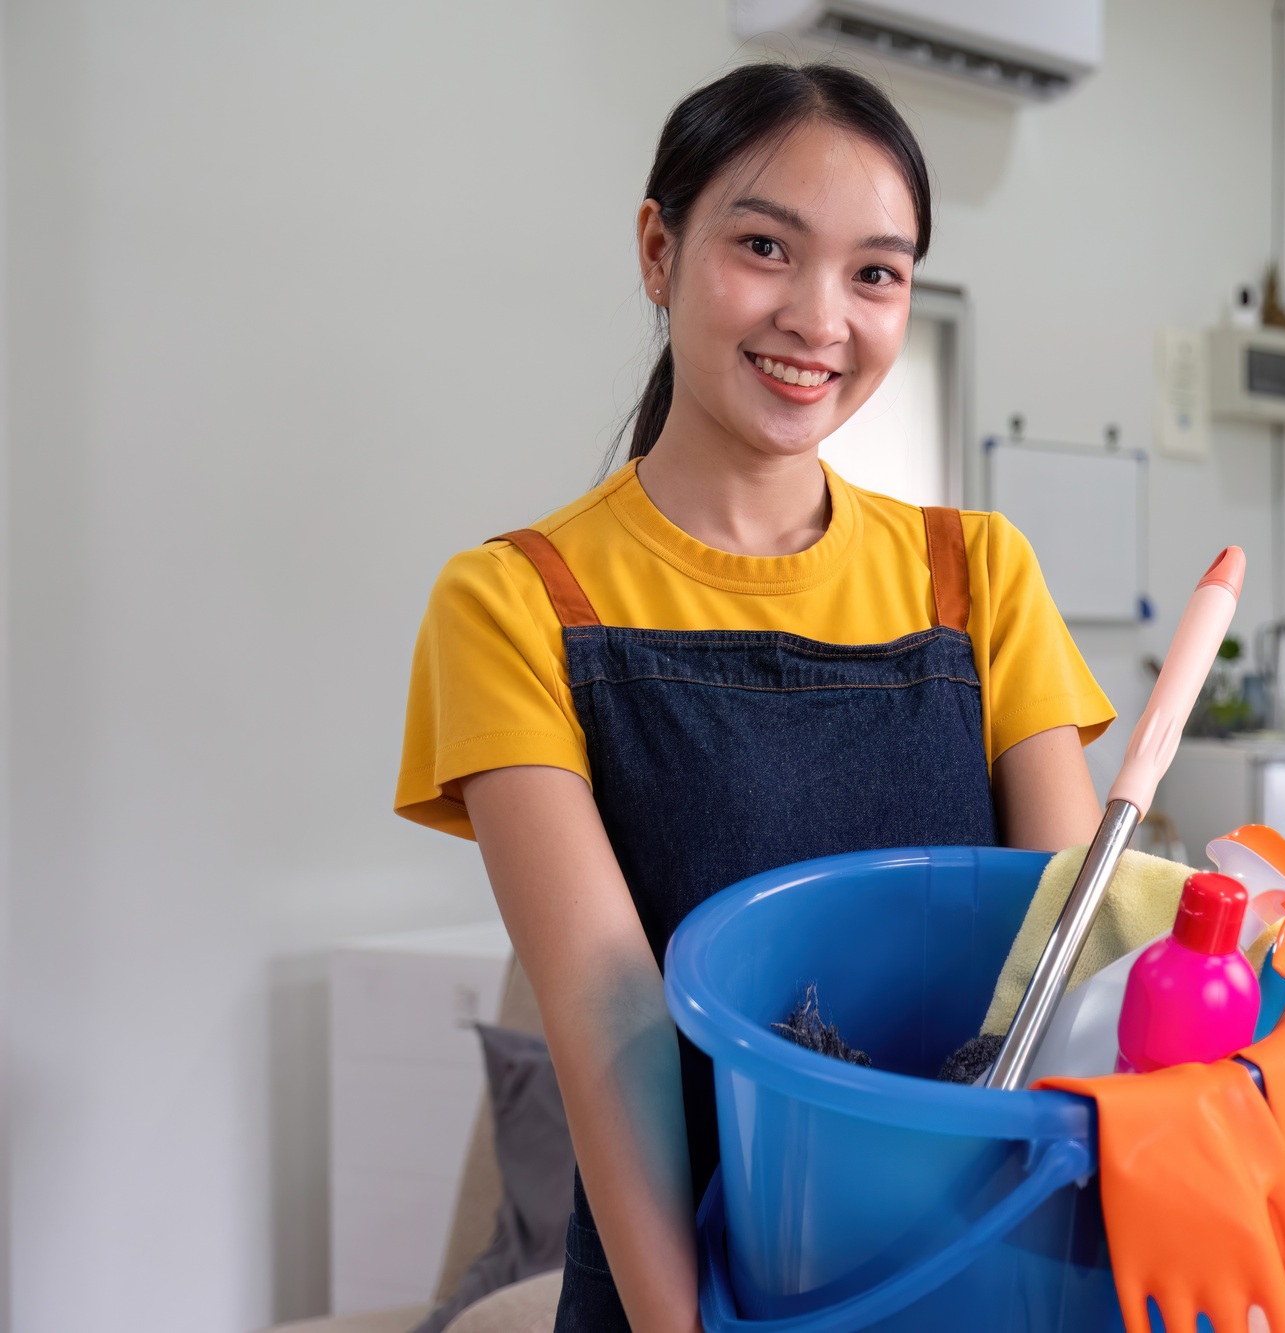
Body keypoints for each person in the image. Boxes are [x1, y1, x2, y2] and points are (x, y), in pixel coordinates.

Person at [395, 62, 1114, 1332]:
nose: (819, 317)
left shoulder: (978, 575)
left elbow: (1072, 963)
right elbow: (612, 1021)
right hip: (687, 1279)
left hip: (979, 1270)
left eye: (875, 273)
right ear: (659, 249)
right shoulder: (517, 601)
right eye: (766, 246)